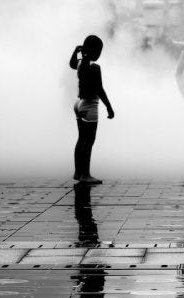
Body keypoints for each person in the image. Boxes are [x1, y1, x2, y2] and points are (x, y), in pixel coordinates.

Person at [69, 35, 114, 185]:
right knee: (88, 141)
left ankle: (78, 172)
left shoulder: (81, 62)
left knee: (81, 139)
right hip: (90, 106)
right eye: (99, 51)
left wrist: (76, 51)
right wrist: (109, 107)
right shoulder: (95, 68)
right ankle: (85, 175)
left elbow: (72, 64)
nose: (99, 54)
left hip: (79, 103)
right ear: (94, 50)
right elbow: (99, 89)